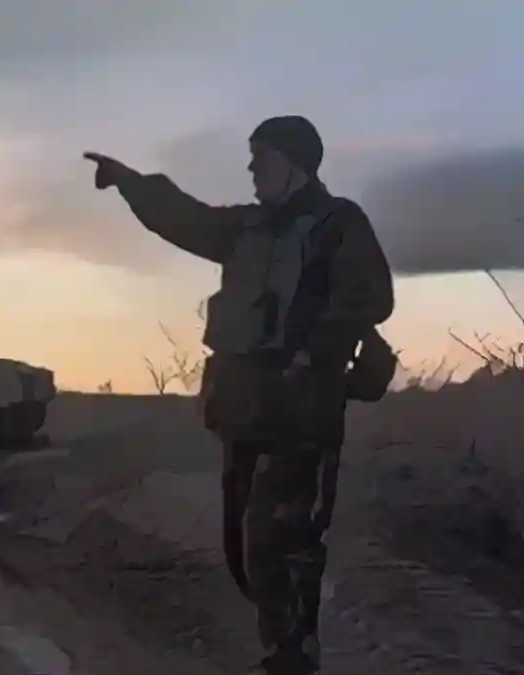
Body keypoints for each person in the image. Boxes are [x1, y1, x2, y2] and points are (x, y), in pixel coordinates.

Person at [85, 115, 394, 675]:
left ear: (296, 165)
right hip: (246, 406)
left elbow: (372, 297)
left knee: (288, 536)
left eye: (262, 158)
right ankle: (282, 646)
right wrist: (130, 182)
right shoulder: (246, 227)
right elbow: (186, 219)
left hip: (303, 410)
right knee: (245, 542)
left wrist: (312, 351)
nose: (252, 169)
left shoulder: (339, 224)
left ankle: (292, 655)